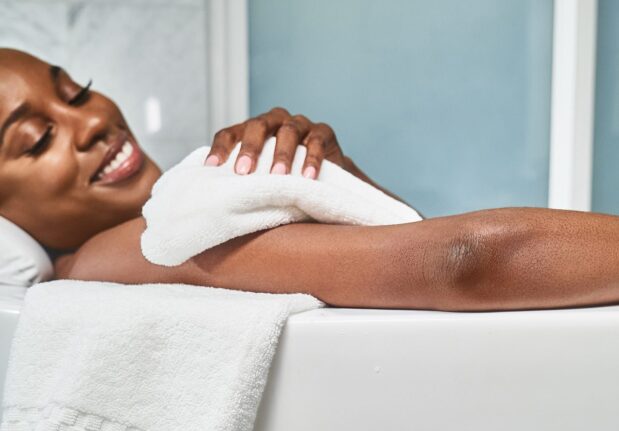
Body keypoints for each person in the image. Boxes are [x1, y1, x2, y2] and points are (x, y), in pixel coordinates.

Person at [1, 48, 618, 312]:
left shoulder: (165, 223)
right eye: (35, 140)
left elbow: (412, 269)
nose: (91, 123)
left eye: (76, 91)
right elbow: (457, 260)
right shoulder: (122, 253)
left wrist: (345, 184)